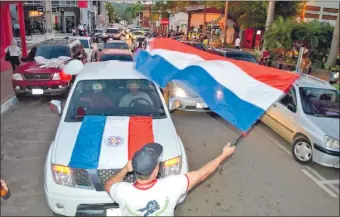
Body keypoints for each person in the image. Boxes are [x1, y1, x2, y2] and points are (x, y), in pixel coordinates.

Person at [104, 142, 235, 216]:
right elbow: (202, 174)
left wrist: (125, 169)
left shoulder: (121, 191)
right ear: (155, 171)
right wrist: (224, 155)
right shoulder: (172, 185)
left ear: (133, 167)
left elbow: (108, 184)